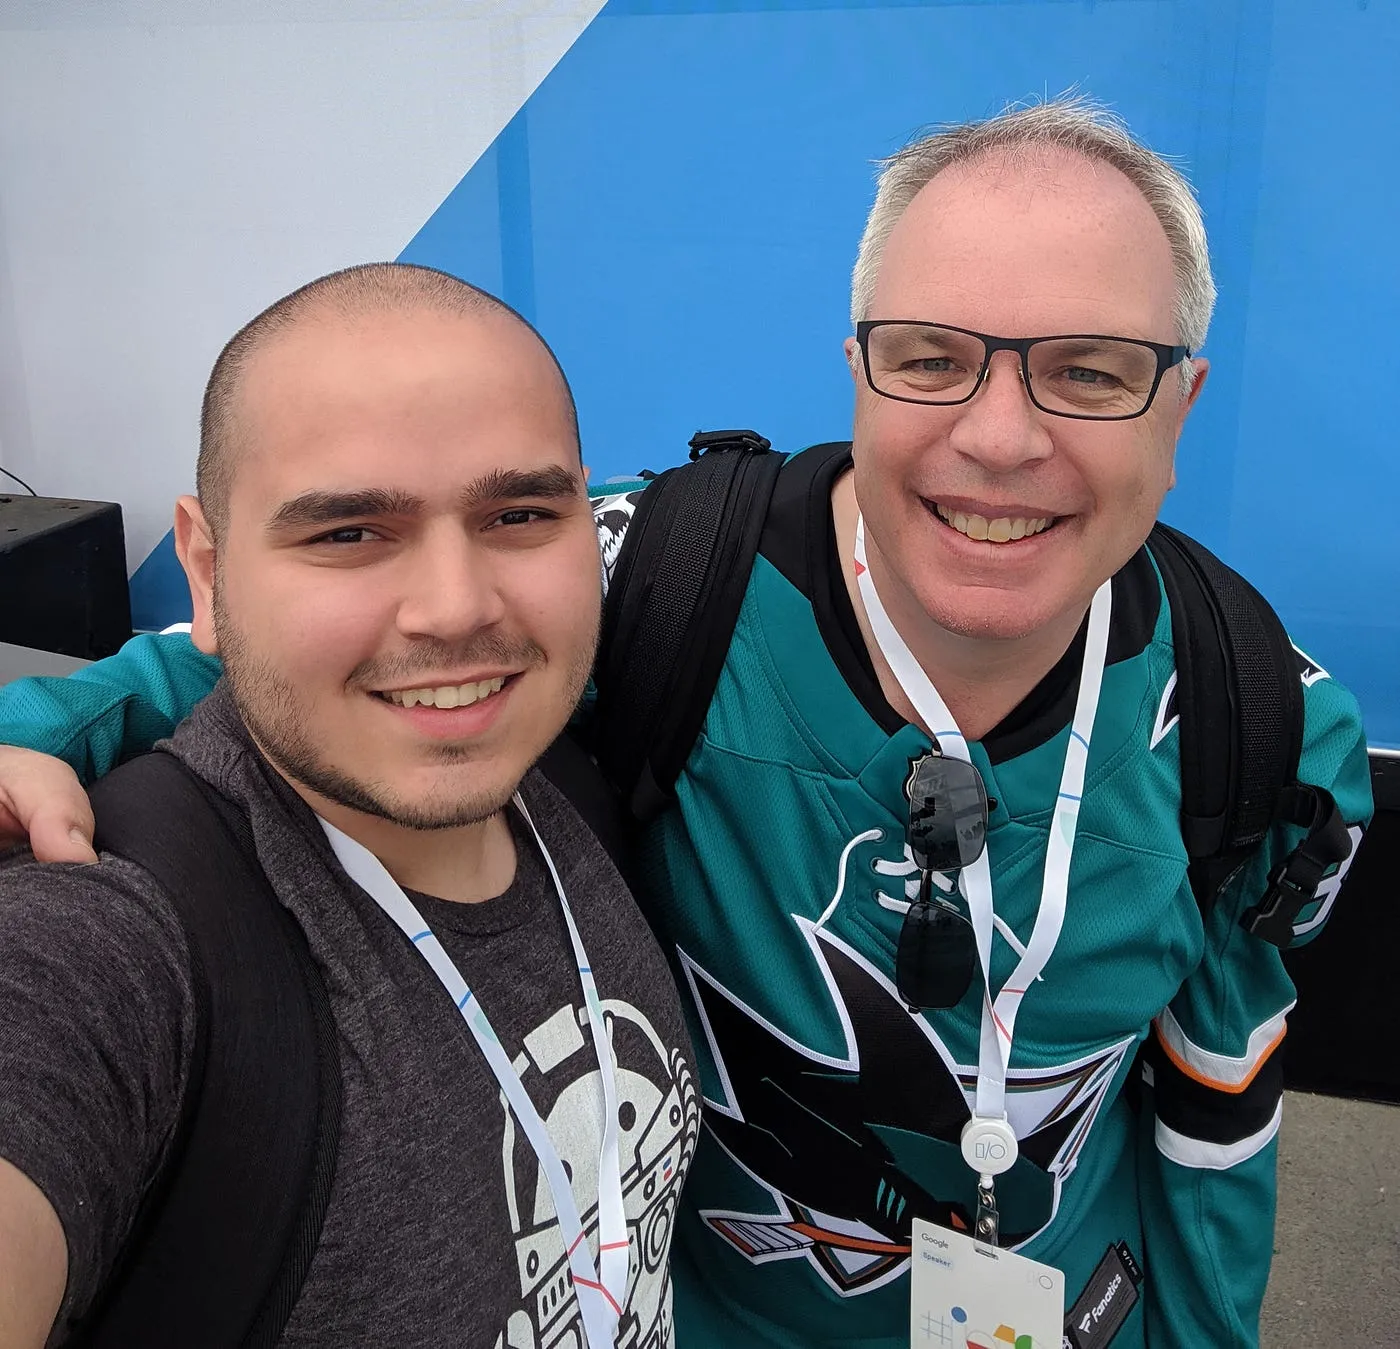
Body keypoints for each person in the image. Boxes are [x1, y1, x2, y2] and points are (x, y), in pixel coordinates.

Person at [0, 99, 1374, 1348]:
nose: (1001, 437)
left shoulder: (1265, 722)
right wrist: (48, 725)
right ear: (858, 369)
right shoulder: (664, 583)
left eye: (1087, 370)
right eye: (931, 357)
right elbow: (332, 631)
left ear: (1180, 404)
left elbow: (1218, 1091)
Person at [0, 264, 700, 1347]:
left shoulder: (568, 773)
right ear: (206, 569)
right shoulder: (114, 936)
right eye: (347, 533)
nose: (457, 608)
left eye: (518, 512)